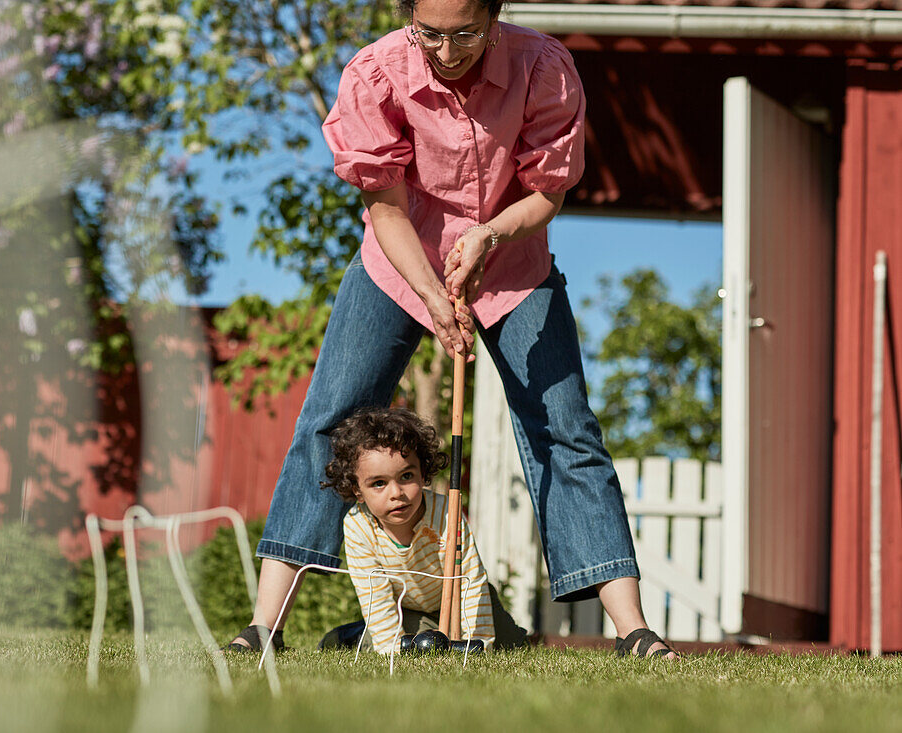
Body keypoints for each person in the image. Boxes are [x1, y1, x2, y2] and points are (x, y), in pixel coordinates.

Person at [226, 0, 677, 660]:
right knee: (329, 417)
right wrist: (434, 296)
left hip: (514, 265)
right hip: (398, 264)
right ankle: (264, 625)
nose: (447, 50)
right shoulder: (376, 74)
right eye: (428, 33)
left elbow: (546, 193)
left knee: (566, 427)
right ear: (407, 17)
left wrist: (490, 233)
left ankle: (634, 629)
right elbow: (385, 204)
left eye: (466, 32)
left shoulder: (544, 69)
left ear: (495, 16)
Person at [316, 407, 528, 653]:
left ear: (423, 472)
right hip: (407, 609)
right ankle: (349, 636)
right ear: (356, 490)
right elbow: (376, 598)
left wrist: (477, 646)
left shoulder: (447, 513)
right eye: (379, 483)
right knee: (408, 645)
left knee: (511, 643)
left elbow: (470, 581)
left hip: (460, 600)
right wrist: (391, 649)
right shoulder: (358, 526)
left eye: (406, 476)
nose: (396, 493)